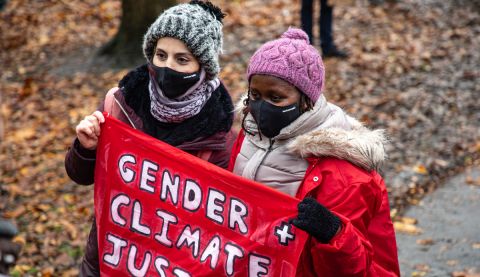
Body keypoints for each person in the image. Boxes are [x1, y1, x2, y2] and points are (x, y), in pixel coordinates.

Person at [64, 1, 234, 275]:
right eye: (161, 55)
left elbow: (217, 225)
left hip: (171, 265)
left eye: (182, 59)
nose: (167, 66)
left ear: (203, 67)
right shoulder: (120, 102)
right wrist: (85, 148)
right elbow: (79, 174)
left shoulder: (219, 134)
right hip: (106, 258)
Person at [229, 28, 399, 276]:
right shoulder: (249, 135)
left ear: (306, 99)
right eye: (255, 95)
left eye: (276, 97)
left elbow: (358, 270)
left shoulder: (346, 175)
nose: (261, 106)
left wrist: (333, 233)